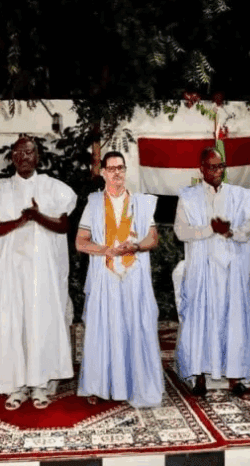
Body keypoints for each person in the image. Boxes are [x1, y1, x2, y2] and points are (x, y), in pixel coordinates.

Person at [0, 137, 77, 410]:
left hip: (42, 269)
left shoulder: (53, 187)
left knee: (40, 322)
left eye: (29, 152)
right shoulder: (0, 190)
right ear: (12, 158)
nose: (23, 157)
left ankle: (40, 384)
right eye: (18, 153)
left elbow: (63, 225)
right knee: (14, 322)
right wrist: (21, 220)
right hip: (10, 269)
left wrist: (38, 217)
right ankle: (16, 384)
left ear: (38, 157)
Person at [75, 151, 163, 408]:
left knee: (135, 327)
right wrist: (105, 250)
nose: (117, 173)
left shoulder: (140, 203)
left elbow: (153, 238)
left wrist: (136, 246)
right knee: (103, 329)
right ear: (103, 172)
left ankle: (136, 383)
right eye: (111, 168)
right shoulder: (93, 204)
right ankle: (99, 385)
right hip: (105, 275)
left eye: (121, 168)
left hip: (134, 275)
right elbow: (81, 242)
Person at [174, 147, 250, 397]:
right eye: (211, 167)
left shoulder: (238, 195)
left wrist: (230, 231)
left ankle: (234, 377)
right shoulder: (188, 197)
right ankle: (198, 377)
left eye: (220, 166)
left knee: (233, 323)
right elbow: (180, 231)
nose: (217, 171)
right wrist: (208, 229)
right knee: (200, 323)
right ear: (201, 169)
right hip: (202, 272)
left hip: (231, 272)